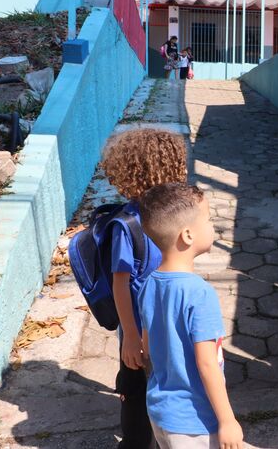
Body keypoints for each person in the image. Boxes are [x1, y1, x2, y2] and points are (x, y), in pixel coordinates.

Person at [100, 128, 189, 448]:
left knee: (165, 384)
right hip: (139, 326)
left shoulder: (172, 217)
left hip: (168, 324)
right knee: (136, 390)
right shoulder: (129, 225)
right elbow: (120, 285)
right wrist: (131, 337)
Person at [138, 183, 243, 449]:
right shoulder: (199, 293)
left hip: (161, 412)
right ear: (187, 235)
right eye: (208, 220)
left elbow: (147, 347)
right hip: (194, 422)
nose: (212, 227)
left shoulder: (149, 283)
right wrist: (228, 420)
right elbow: (207, 365)